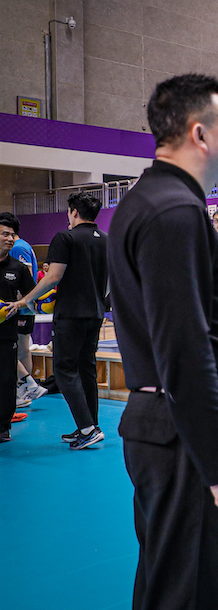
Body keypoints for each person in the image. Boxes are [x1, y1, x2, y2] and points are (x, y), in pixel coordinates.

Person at [106, 74, 218, 610]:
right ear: (199, 134)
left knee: (176, 593)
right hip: (189, 437)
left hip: (175, 429)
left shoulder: (156, 203)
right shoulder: (173, 212)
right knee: (193, 604)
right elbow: (183, 349)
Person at [9, 192, 110, 449]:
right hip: (96, 313)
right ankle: (91, 425)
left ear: (74, 212)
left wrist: (25, 300)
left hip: (71, 314)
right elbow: (110, 281)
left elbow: (53, 277)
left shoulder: (65, 237)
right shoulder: (106, 239)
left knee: (64, 371)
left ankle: (87, 429)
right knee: (86, 369)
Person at [0, 214, 36, 443]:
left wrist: (20, 304)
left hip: (6, 334)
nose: (10, 238)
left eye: (12, 235)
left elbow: (32, 296)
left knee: (6, 381)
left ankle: (3, 427)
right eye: (5, 234)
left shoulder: (18, 268)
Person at [6, 218, 42, 405]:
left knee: (21, 348)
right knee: (20, 348)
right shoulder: (21, 246)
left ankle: (25, 391)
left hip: (21, 309)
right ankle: (25, 389)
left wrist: (18, 304)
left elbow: (23, 278)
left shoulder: (19, 247)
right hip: (20, 307)